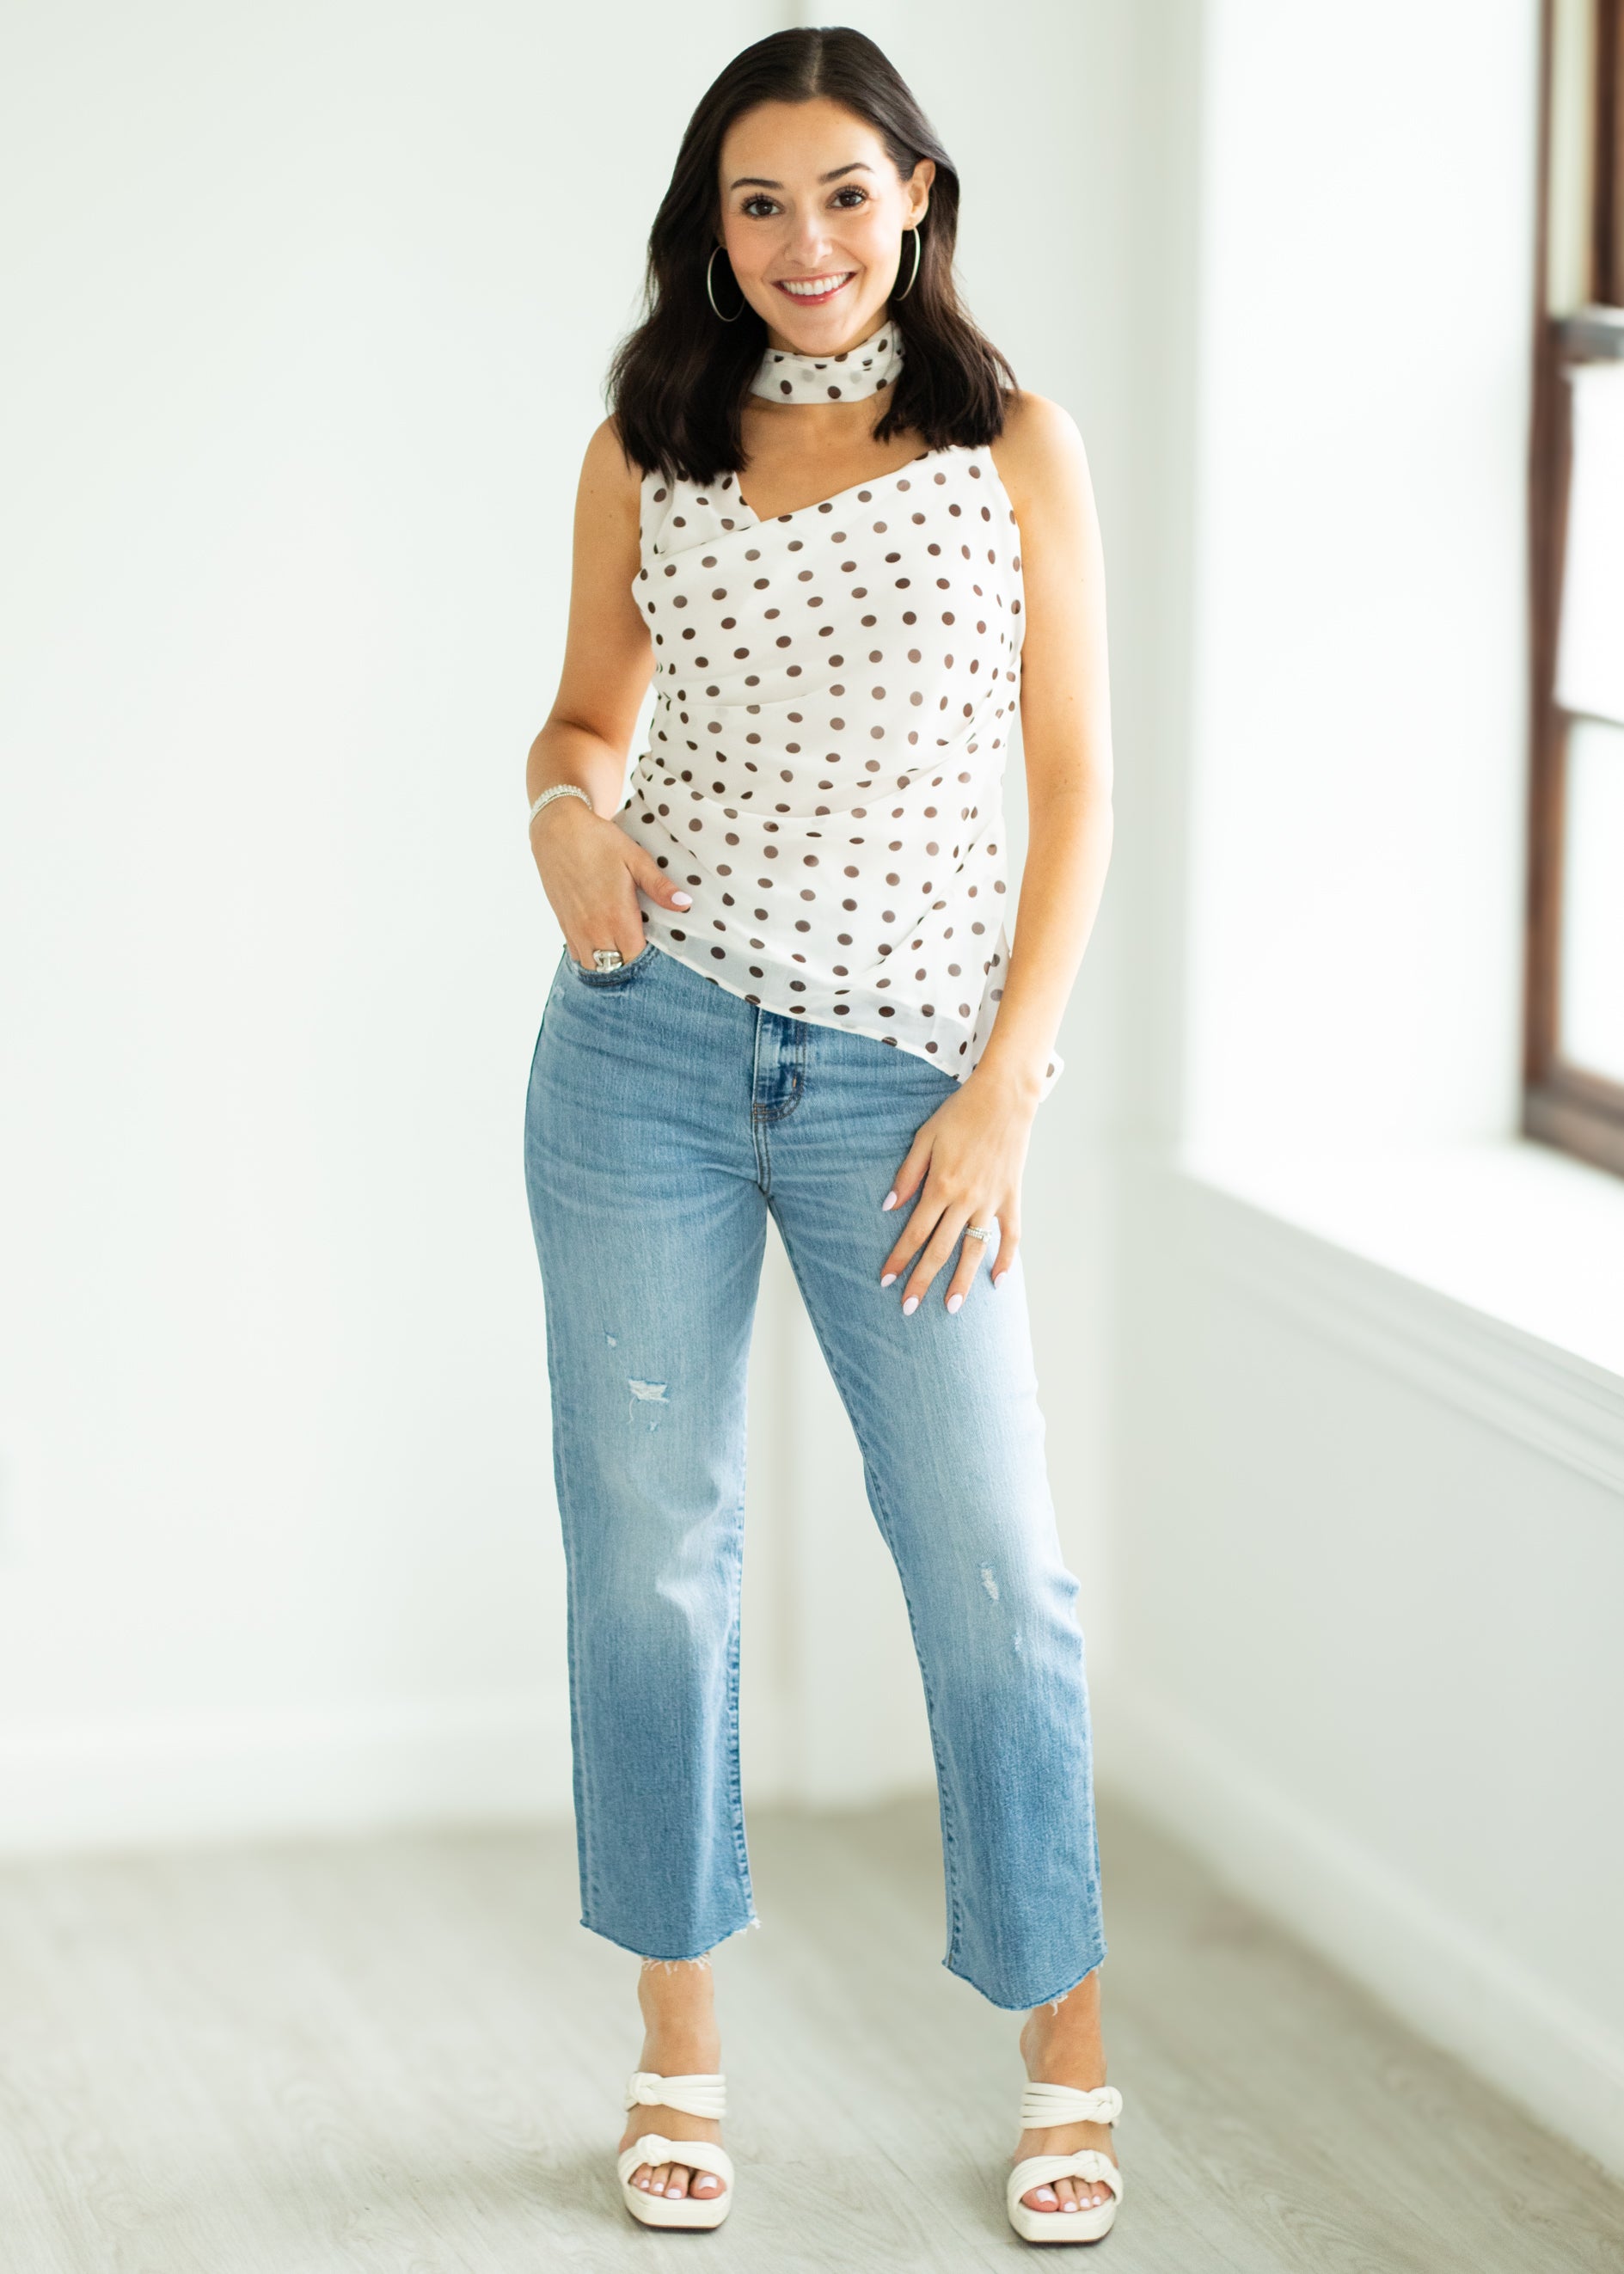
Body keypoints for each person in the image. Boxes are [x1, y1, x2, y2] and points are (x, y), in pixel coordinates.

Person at [521, 24, 1118, 2246]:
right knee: (650, 1563)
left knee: (993, 1574)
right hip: (643, 1056)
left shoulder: (1010, 441)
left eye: (845, 195)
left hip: (913, 1091)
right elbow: (582, 723)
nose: (804, 243)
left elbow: (1077, 783)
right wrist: (561, 819)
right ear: (713, 222)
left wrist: (1004, 1091)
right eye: (757, 203)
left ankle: (1066, 2053)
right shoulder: (646, 444)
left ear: (918, 197)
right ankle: (675, 2051)